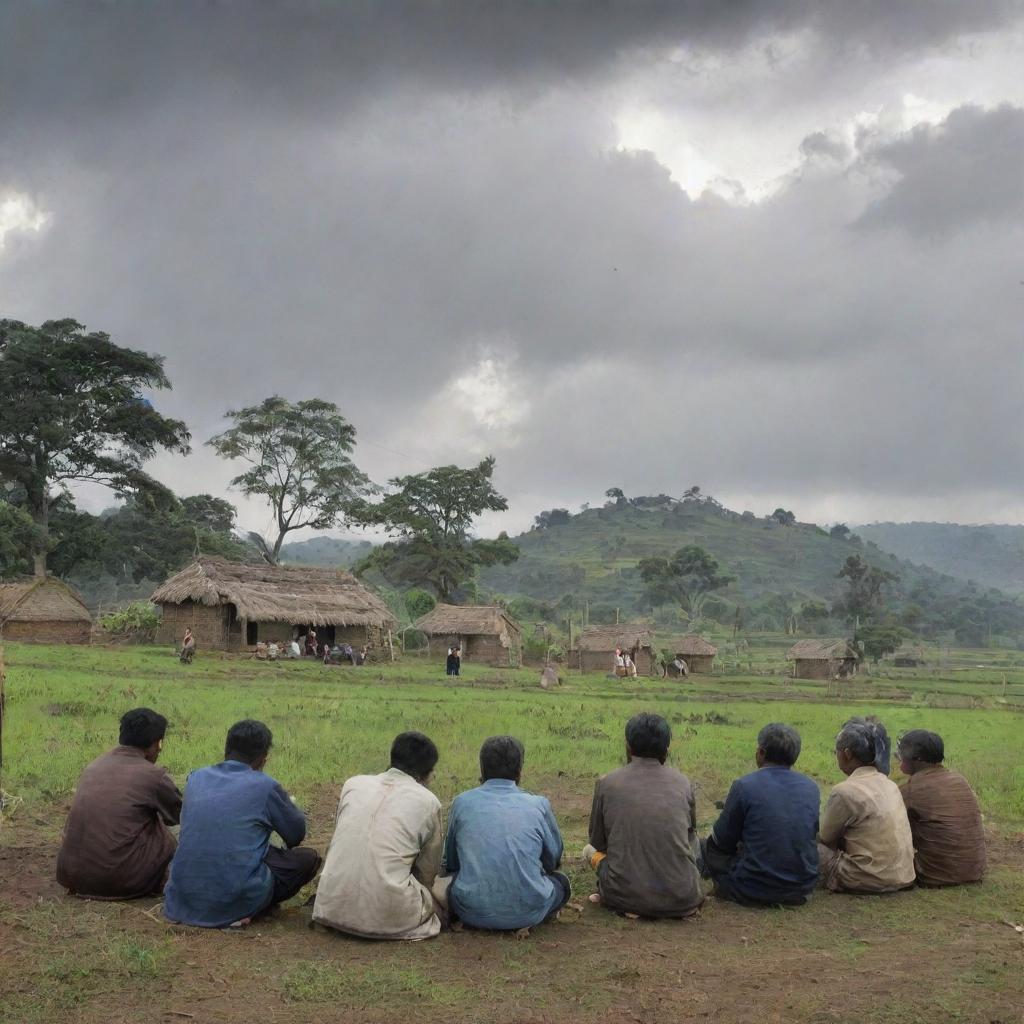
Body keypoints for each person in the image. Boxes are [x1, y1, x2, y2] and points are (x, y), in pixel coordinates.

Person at [164, 720, 321, 928]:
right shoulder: (265, 786)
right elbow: (296, 834)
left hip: (179, 900)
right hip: (234, 899)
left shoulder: (196, 777)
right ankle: (251, 908)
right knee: (307, 859)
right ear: (263, 759)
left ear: (226, 749)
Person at [313, 732, 445, 940]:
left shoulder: (353, 784)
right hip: (391, 918)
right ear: (426, 774)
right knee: (442, 896)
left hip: (329, 908)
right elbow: (427, 872)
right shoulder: (428, 801)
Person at [442, 736, 569, 931]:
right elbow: (553, 858)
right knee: (562, 883)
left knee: (451, 880)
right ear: (520, 770)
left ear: (482, 769)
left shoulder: (461, 802)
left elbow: (451, 862)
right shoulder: (538, 804)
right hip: (529, 911)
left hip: (469, 910)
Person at [584, 713, 703, 919]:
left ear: (628, 748)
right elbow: (690, 834)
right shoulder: (683, 783)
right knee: (695, 842)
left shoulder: (607, 783)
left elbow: (597, 842)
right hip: (684, 896)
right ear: (666, 751)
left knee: (588, 851)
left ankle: (623, 896)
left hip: (623, 896)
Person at [56, 708, 182, 900]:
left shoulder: (94, 766)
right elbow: (179, 815)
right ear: (155, 743)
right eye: (160, 744)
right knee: (166, 833)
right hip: (118, 882)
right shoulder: (153, 776)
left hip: (71, 876)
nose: (159, 750)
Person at [700, 723, 820, 906]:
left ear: (761, 753)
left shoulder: (744, 785)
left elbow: (721, 841)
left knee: (707, 847)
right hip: (801, 889)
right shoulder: (811, 787)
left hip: (751, 888)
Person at [818, 718, 915, 893]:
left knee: (809, 846)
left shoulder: (844, 791)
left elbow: (825, 838)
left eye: (836, 751)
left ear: (846, 754)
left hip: (865, 879)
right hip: (903, 876)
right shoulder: (890, 784)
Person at [897, 730, 986, 886]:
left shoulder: (911, 789)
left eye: (902, 752)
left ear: (917, 759)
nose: (899, 756)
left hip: (934, 875)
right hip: (975, 870)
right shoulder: (959, 779)